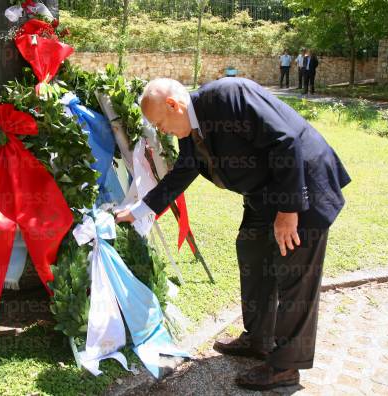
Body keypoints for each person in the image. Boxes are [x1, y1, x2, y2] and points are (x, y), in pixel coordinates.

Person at [115, 77, 351, 391]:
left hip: (299, 186)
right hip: (263, 194)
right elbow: (187, 167)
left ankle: (285, 367)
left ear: (173, 105)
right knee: (252, 252)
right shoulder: (191, 125)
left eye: (160, 123)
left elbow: (287, 139)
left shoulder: (230, 96)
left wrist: (288, 210)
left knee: (296, 273)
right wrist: (141, 209)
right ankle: (258, 338)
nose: (161, 131)